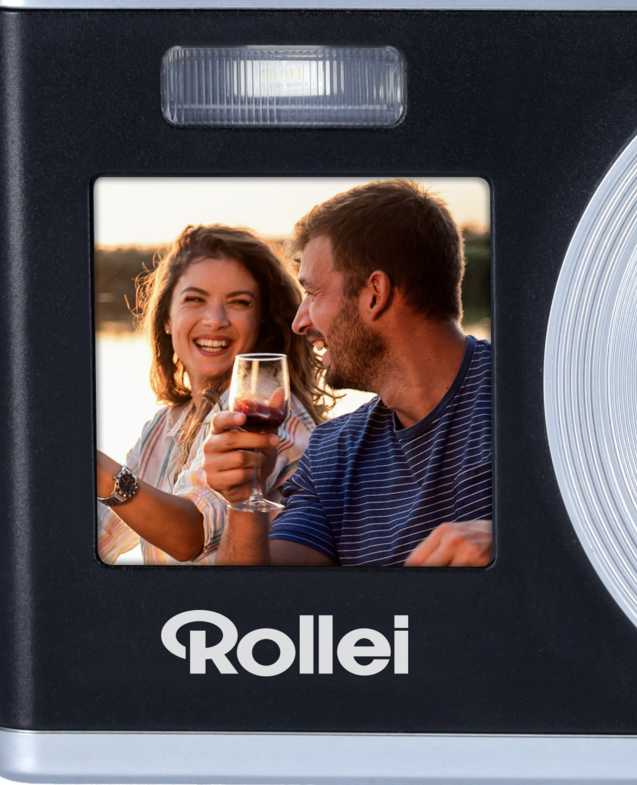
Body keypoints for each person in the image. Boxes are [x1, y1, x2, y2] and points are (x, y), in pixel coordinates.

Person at [205, 180, 492, 567]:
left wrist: (519, 546)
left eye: (312, 293)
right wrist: (243, 500)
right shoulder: (330, 453)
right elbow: (259, 598)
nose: (299, 323)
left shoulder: (538, 402)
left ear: (375, 293)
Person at [97, 225, 330, 566]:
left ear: (260, 322)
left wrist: (96, 467)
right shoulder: (164, 425)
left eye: (239, 302)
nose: (215, 319)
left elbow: (189, 536)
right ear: (166, 318)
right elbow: (102, 531)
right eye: (195, 299)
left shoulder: (268, 412)